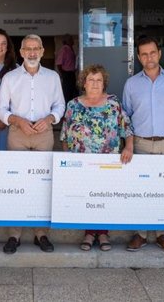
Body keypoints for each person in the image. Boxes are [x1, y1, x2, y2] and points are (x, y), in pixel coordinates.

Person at [0, 34, 66, 254]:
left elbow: (60, 105)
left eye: (36, 48)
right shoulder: (10, 78)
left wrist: (50, 119)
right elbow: (1, 109)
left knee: (42, 184)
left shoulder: (53, 77)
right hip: (18, 132)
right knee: (16, 183)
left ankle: (41, 233)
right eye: (28, 49)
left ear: (43, 51)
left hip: (44, 133)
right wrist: (16, 120)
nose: (32, 53)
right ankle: (14, 235)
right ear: (21, 52)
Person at [122, 36, 164, 253]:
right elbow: (125, 118)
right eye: (144, 54)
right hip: (141, 144)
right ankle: (140, 234)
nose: (148, 57)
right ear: (139, 57)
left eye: (152, 53)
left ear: (159, 54)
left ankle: (163, 234)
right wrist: (129, 145)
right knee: (140, 189)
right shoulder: (131, 84)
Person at [60, 64, 133, 252]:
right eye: (91, 79)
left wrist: (129, 147)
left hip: (107, 161)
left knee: (103, 195)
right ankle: (89, 232)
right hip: (81, 162)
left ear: (104, 83)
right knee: (86, 196)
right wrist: (67, 158)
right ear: (83, 83)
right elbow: (65, 134)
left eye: (99, 80)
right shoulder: (73, 105)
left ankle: (102, 233)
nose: (94, 83)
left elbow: (126, 128)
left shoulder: (113, 103)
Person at [56, 34, 78, 103]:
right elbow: (59, 63)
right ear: (67, 41)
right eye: (71, 39)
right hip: (67, 74)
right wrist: (63, 74)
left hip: (71, 73)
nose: (73, 40)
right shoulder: (64, 49)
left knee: (72, 92)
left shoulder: (70, 49)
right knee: (67, 93)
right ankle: (66, 109)